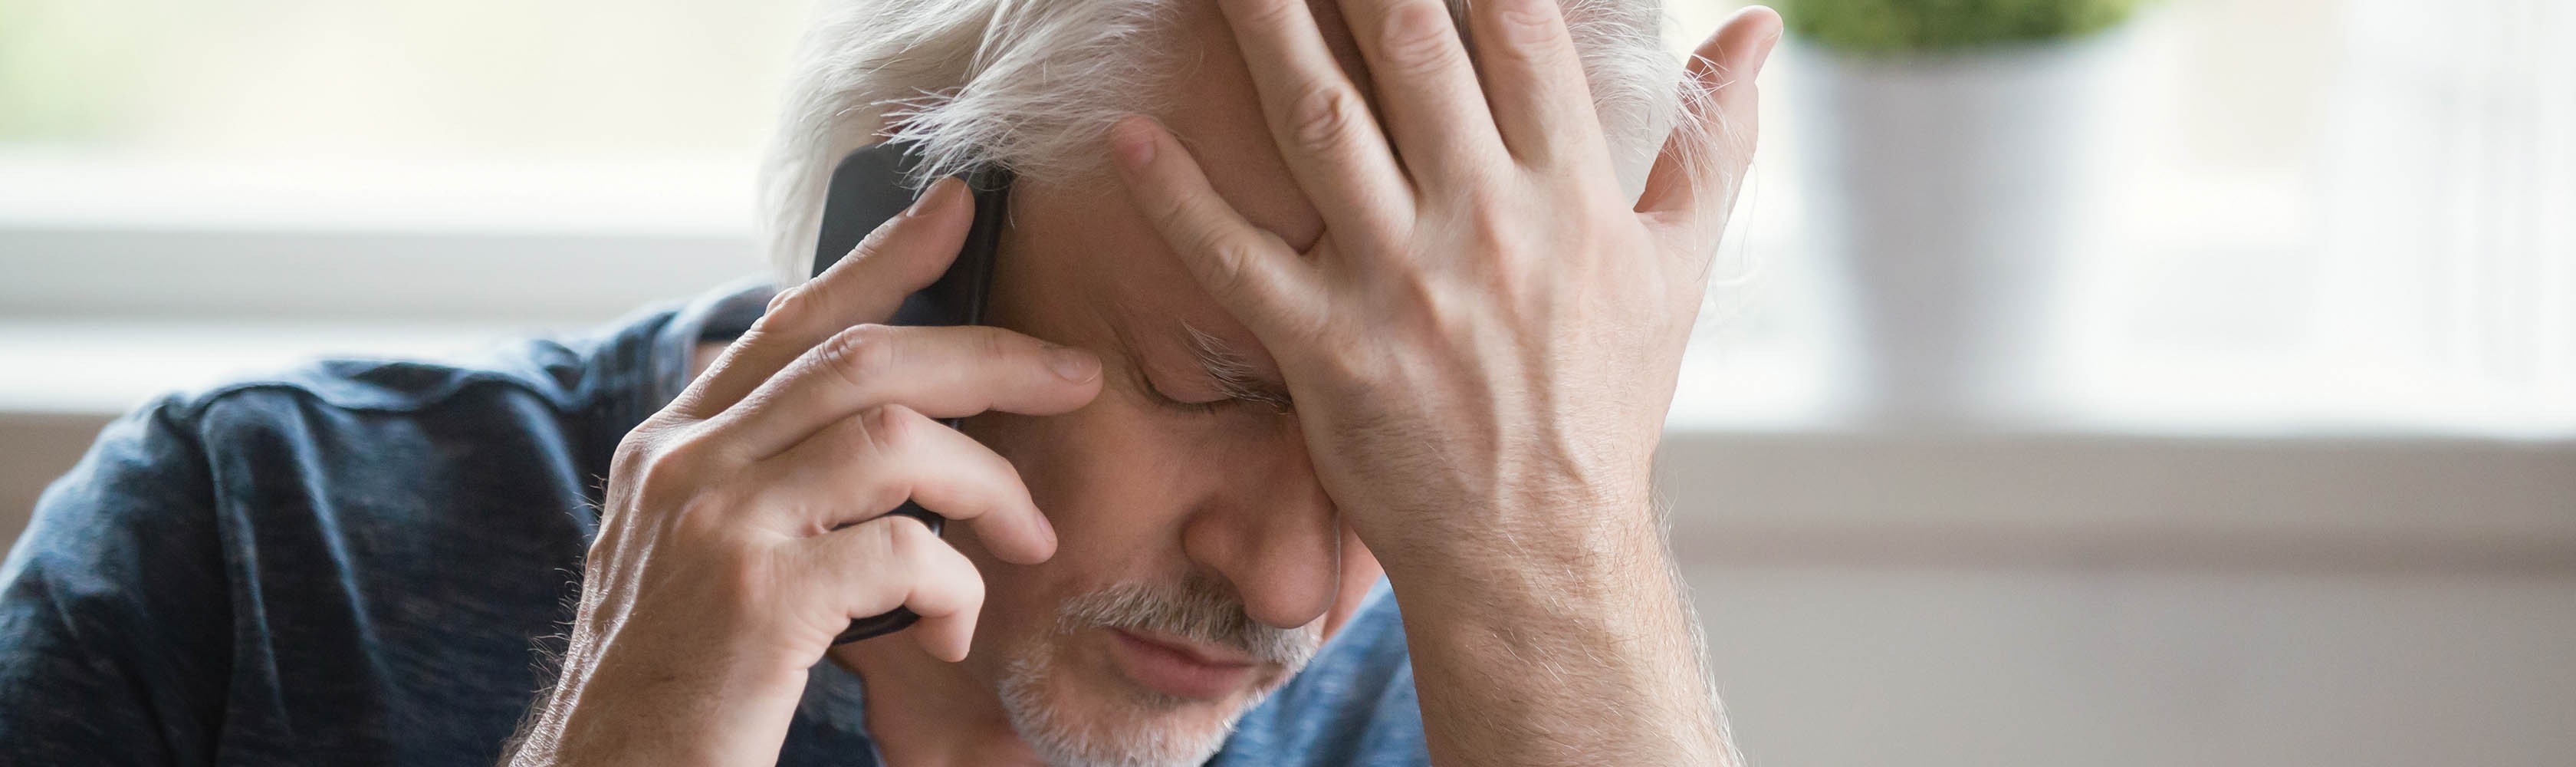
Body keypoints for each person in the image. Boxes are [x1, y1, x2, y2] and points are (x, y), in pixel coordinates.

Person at [0, 0, 1779, 764]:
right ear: (917, 223)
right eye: (1223, 382)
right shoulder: (244, 558)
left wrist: (1547, 550)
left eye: (1407, 447)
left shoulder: (1502, 673)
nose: (1300, 588)